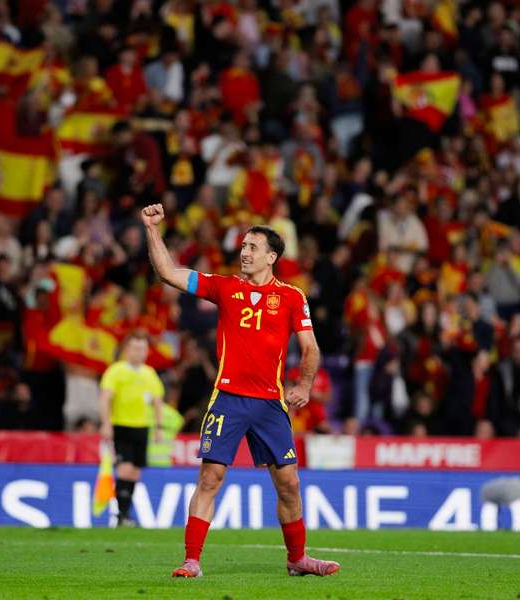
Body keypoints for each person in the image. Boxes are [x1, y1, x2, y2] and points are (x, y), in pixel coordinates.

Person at [142, 203, 340, 578]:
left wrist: (304, 384)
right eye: (243, 246)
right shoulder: (225, 287)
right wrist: (153, 230)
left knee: (289, 484)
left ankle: (297, 559)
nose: (244, 252)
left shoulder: (293, 297)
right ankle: (191, 560)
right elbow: (168, 272)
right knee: (210, 476)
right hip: (229, 399)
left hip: (270, 403)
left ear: (271, 256)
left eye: (252, 247)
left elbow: (311, 347)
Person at [98, 331, 165, 527]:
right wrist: (106, 423)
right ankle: (121, 513)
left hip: (142, 427)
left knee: (135, 472)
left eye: (143, 349)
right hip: (121, 426)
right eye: (136, 348)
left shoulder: (149, 373)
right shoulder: (116, 371)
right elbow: (105, 397)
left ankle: (124, 514)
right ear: (127, 349)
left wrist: (159, 427)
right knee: (124, 469)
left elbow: (157, 402)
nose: (140, 352)